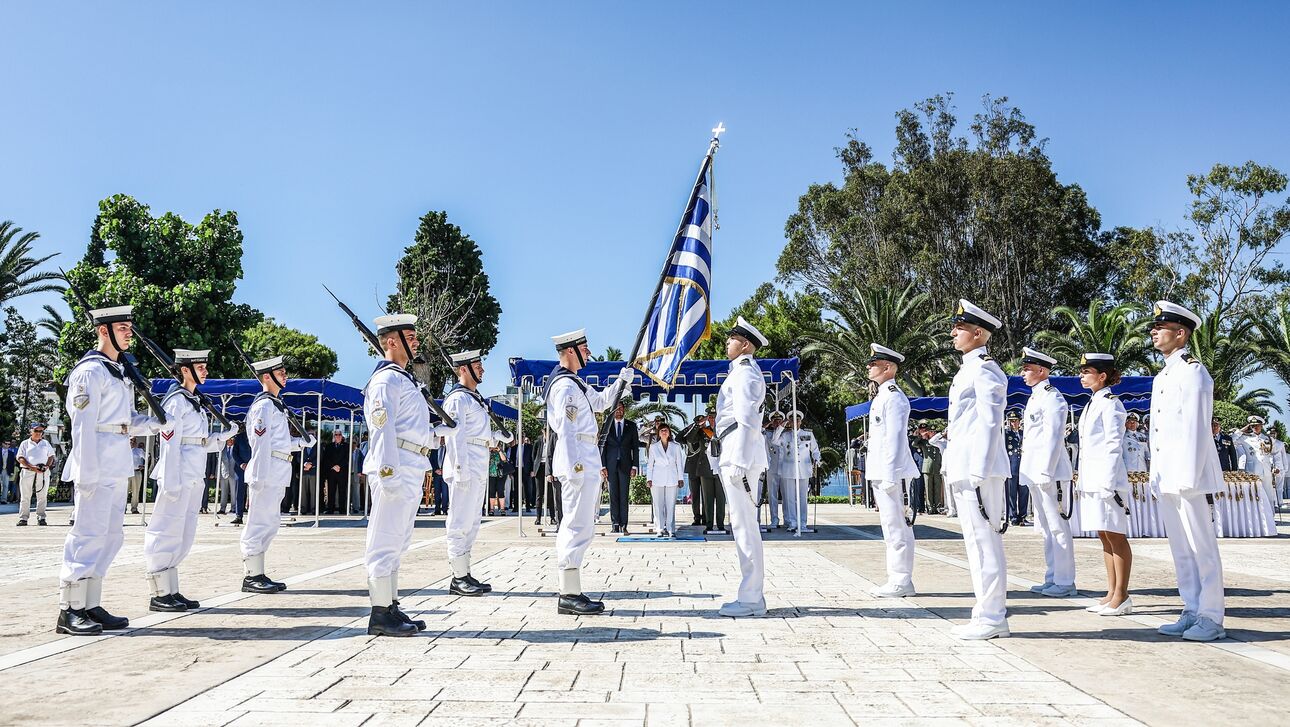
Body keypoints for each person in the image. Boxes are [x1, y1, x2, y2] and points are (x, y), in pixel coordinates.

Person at [57, 305, 163, 635]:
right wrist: (86, 471)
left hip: (117, 461)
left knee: (111, 535)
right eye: (122, 327)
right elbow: (83, 426)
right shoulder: (90, 372)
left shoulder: (117, 371)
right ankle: (69, 609)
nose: (129, 332)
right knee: (87, 533)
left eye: (130, 326)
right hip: (96, 462)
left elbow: (125, 421)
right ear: (104, 331)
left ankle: (90, 602)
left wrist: (155, 424)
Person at [1149, 301, 1227, 641]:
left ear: (1180, 333)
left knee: (1201, 548)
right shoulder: (1164, 374)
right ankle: (1191, 608)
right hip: (1167, 475)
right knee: (1181, 548)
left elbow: (1197, 428)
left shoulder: (1194, 371)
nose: (1153, 331)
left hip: (1188, 476)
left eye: (1160, 327)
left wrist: (1190, 476)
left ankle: (1211, 617)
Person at [143, 349, 239, 612]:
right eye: (201, 366)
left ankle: (171, 589)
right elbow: (170, 444)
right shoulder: (176, 402)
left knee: (183, 532)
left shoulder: (193, 401)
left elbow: (198, 443)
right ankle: (159, 592)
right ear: (185, 370)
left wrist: (222, 436)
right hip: (178, 474)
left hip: (193, 474)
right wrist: (170, 479)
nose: (206, 371)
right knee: (166, 530)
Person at [545, 329, 632, 615]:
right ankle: (568, 594)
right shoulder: (565, 387)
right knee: (574, 524)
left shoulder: (576, 384)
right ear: (570, 351)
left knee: (582, 523)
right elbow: (567, 431)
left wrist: (621, 381)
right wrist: (575, 468)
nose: (589, 353)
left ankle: (571, 590)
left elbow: (601, 403)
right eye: (584, 348)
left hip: (585, 454)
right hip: (577, 457)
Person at [361, 314, 437, 636]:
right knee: (384, 539)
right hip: (396, 467)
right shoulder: (386, 381)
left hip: (411, 465)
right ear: (392, 341)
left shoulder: (404, 380)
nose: (416, 339)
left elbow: (413, 428)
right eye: (409, 334)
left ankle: (390, 604)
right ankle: (379, 614)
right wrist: (388, 473)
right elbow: (381, 429)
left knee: (399, 540)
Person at [944, 299, 1010, 640]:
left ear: (978, 333)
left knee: (985, 543)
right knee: (975, 543)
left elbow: (990, 421)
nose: (954, 332)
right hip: (965, 467)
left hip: (978, 470)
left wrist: (981, 470)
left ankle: (993, 615)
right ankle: (985, 611)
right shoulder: (968, 369)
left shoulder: (985, 369)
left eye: (961, 328)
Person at [435, 348, 513, 598]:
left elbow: (477, 435)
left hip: (478, 464)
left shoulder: (474, 399)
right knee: (459, 522)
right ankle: (457, 577)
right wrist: (460, 470)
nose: (482, 369)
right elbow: (456, 437)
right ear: (463, 369)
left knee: (472, 523)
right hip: (465, 467)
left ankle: (464, 572)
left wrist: (497, 437)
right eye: (477, 365)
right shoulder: (457, 399)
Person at [242, 355, 314, 595]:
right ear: (266, 377)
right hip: (266, 471)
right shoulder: (263, 406)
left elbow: (277, 442)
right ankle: (251, 576)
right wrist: (259, 478)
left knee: (270, 524)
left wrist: (299, 443)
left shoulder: (275, 405)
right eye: (280, 372)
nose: (285, 376)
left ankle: (259, 572)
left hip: (277, 470)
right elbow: (260, 445)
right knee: (257, 523)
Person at [713, 317, 770, 617]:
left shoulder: (745, 374)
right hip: (733, 447)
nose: (727, 341)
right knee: (742, 525)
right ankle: (750, 594)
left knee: (745, 526)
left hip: (740, 451)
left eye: (732, 337)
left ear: (745, 344)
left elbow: (748, 421)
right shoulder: (739, 373)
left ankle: (751, 598)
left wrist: (739, 460)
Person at [1076, 353, 1134, 616]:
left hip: (1107, 480)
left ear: (1102, 376)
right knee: (1104, 536)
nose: (1081, 376)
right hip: (1093, 478)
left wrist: (1108, 483)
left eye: (1086, 371)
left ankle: (1122, 595)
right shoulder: (1092, 403)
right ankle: (1111, 591)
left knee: (1116, 536)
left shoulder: (1111, 404)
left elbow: (1113, 445)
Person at [1017, 347, 1077, 598]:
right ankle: (1052, 576)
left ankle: (1065, 581)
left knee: (1057, 526)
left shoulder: (1053, 397)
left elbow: (1053, 437)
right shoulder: (1035, 397)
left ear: (1041, 370)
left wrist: (1045, 470)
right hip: (1036, 471)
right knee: (1046, 527)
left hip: (1050, 472)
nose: (1023, 373)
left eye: (1027, 369)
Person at [864, 344, 921, 598]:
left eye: (874, 363)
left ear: (888, 367)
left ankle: (901, 579)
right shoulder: (881, 396)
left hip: (892, 472)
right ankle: (897, 577)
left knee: (897, 525)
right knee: (890, 526)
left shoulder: (894, 397)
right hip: (882, 471)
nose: (869, 366)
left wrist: (889, 475)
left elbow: (897, 439)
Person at [774, 410, 821, 533]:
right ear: (789, 421)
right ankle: (793, 522)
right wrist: (781, 426)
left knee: (802, 498)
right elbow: (774, 440)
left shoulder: (808, 434)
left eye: (798, 420)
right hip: (788, 470)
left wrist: (817, 459)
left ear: (801, 421)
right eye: (792, 420)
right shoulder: (784, 435)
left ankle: (803, 523)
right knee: (789, 498)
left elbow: (815, 450)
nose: (795, 422)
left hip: (803, 470)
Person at [600, 400, 640, 534]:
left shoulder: (632, 426)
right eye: (616, 409)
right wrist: (603, 466)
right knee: (613, 496)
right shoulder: (607, 425)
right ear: (613, 411)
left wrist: (635, 466)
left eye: (621, 408)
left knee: (624, 496)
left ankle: (624, 524)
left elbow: (635, 447)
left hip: (626, 465)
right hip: (610, 466)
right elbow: (602, 447)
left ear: (624, 410)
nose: (619, 411)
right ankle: (615, 524)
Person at [1237, 416, 1280, 520]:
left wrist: (1276, 467)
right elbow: (1233, 437)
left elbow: (1274, 455)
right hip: (1253, 471)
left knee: (1269, 495)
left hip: (1267, 471)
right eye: (1252, 425)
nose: (1255, 427)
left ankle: (1270, 518)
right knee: (1253, 495)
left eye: (1257, 425)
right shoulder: (1245, 438)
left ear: (1262, 426)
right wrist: (1244, 428)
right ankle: (1255, 519)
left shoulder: (1268, 439)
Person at [646, 421, 685, 537]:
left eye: (666, 430)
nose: (664, 432)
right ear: (658, 433)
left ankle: (670, 529)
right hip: (657, 479)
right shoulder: (653, 447)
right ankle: (659, 528)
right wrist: (649, 479)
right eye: (662, 430)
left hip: (672, 478)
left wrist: (680, 478)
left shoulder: (676, 447)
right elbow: (650, 465)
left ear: (669, 432)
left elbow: (679, 463)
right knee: (658, 505)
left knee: (670, 505)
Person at [16, 423, 55, 526]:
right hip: (28, 471)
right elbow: (20, 457)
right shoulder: (25, 443)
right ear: (31, 431)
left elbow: (51, 456)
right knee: (25, 495)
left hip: (42, 472)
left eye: (41, 431)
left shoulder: (46, 443)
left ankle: (41, 517)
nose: (38, 433)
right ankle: (23, 518)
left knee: (42, 495)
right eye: (36, 431)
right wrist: (31, 467)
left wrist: (47, 466)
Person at [679, 414, 711, 527]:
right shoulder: (692, 433)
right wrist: (693, 426)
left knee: (706, 495)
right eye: (700, 422)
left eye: (703, 422)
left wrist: (701, 426)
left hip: (705, 467)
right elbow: (679, 438)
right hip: (693, 467)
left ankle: (707, 517)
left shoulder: (707, 432)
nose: (703, 424)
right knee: (695, 494)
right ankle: (697, 517)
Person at [915, 424, 945, 514]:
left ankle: (937, 506)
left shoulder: (938, 441)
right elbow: (914, 444)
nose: (932, 433)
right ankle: (930, 507)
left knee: (937, 488)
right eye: (930, 431)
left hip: (937, 467)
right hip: (927, 468)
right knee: (928, 489)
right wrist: (920, 435)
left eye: (934, 432)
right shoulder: (923, 442)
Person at [763, 412, 786, 528]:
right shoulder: (766, 434)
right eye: (775, 421)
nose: (777, 423)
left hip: (786, 468)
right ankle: (774, 519)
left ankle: (788, 519)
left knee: (787, 495)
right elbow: (759, 431)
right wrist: (768, 424)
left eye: (779, 420)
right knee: (772, 495)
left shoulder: (787, 434)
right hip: (772, 467)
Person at [1004, 411, 1027, 525]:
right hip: (1012, 466)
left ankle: (1022, 516)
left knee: (1024, 492)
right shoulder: (1006, 434)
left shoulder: (1024, 433)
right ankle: (1013, 516)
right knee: (1011, 493)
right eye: (1011, 421)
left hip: (1024, 466)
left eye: (1015, 421)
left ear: (1019, 421)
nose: (1013, 423)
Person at [321, 429, 350, 514]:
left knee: (342, 491)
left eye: (339, 435)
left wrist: (339, 466)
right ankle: (330, 509)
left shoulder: (346, 446)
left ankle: (342, 509)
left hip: (342, 471)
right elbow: (326, 459)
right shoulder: (329, 446)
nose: (338, 436)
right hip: (332, 472)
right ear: (334, 436)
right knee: (331, 491)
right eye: (336, 435)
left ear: (342, 436)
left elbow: (347, 458)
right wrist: (333, 466)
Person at [215, 438, 238, 515]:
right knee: (223, 493)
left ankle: (233, 508)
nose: (230, 441)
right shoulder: (222, 449)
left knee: (233, 493)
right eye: (228, 440)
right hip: (223, 473)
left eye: (232, 440)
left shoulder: (236, 449)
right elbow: (219, 462)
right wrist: (217, 474)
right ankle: (222, 508)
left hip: (234, 474)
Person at [126, 438, 146, 515]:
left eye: (134, 441)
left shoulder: (139, 451)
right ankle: (123, 508)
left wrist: (144, 465)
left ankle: (134, 508)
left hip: (136, 472)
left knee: (136, 491)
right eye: (131, 440)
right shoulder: (124, 450)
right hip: (126, 473)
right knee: (124, 492)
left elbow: (147, 458)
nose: (132, 442)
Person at [430, 439, 449, 516]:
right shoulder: (434, 449)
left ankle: (445, 509)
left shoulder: (448, 449)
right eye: (440, 438)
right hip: (437, 474)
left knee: (445, 493)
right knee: (437, 493)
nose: (442, 440)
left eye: (443, 438)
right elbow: (431, 460)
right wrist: (435, 470)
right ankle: (437, 509)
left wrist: (444, 470)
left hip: (445, 474)